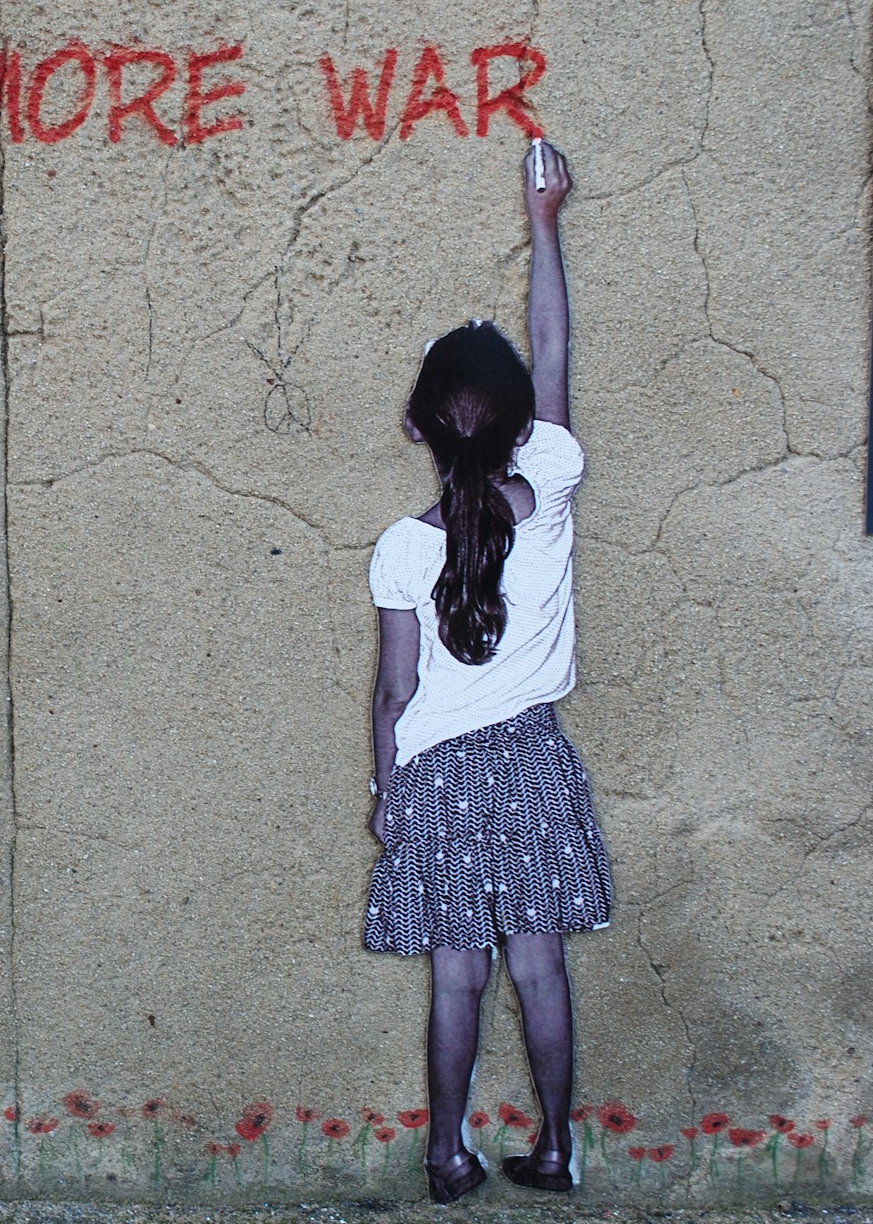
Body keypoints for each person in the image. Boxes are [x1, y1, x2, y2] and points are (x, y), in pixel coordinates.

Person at [362, 140, 613, 1203]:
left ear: (415, 425)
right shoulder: (550, 488)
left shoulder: (403, 547)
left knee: (457, 975)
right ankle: (557, 1149)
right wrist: (543, 217)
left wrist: (387, 794)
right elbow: (550, 347)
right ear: (522, 426)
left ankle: (447, 1152)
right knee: (540, 965)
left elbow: (393, 693)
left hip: (438, 776)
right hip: (532, 764)